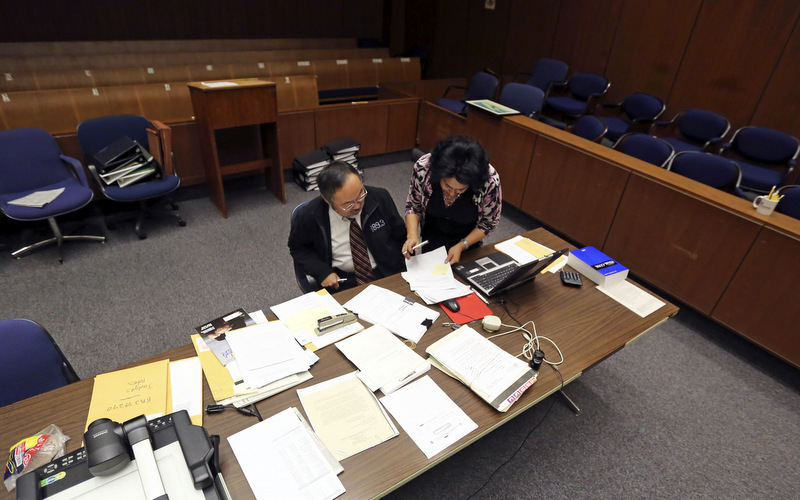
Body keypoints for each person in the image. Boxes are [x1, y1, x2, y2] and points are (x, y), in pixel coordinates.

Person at [289, 161, 406, 291]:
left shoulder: (380, 198)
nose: (357, 206)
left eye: (361, 194)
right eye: (348, 204)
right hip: (343, 282)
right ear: (328, 201)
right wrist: (322, 272)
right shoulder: (309, 216)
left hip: (386, 273)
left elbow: (400, 234)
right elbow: (298, 248)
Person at [403, 135, 502, 264]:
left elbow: (489, 223)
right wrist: (412, 235)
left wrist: (462, 245)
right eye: (447, 186)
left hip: (468, 237)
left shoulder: (489, 181)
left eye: (461, 190)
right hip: (433, 231)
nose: (453, 193)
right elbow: (413, 205)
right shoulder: (424, 168)